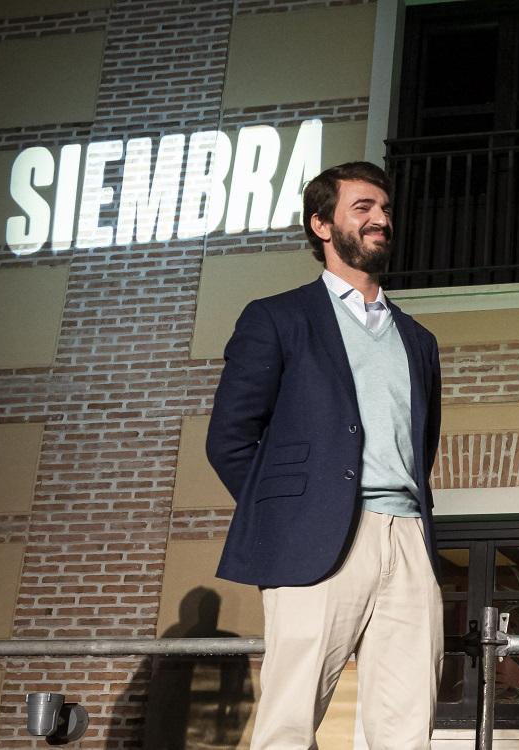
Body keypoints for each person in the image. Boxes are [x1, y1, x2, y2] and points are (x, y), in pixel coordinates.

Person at [206, 161, 443, 748]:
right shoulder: (278, 317)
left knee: (406, 726)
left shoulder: (418, 339)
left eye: (385, 210)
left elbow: (421, 442)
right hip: (316, 540)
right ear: (321, 224)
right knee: (289, 721)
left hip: (408, 536)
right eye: (362, 208)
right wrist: (296, 513)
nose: (380, 220)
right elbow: (230, 439)